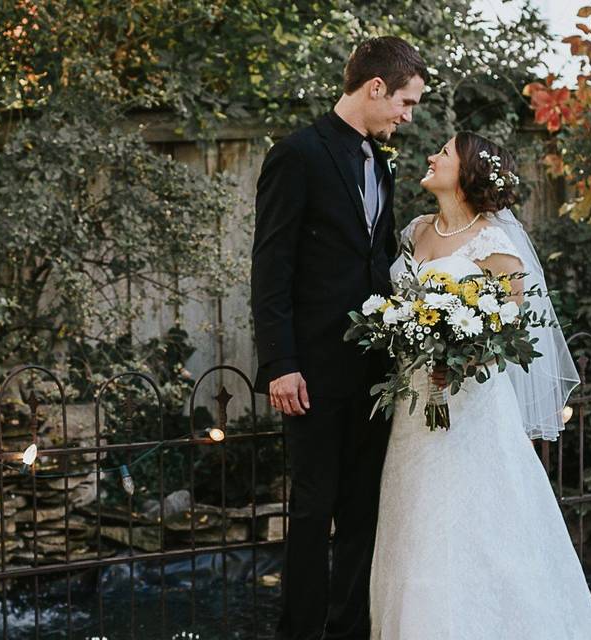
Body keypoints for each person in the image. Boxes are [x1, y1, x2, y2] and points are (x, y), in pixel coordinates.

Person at [369, 131, 591, 640]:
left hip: (472, 410)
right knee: (414, 522)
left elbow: (511, 331)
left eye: (443, 153)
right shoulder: (415, 231)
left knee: (481, 524)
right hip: (416, 405)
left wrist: (459, 357)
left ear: (466, 173)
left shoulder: (495, 242)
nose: (432, 157)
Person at [250, 36, 427, 640]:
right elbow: (271, 267)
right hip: (312, 370)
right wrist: (280, 363)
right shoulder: (296, 154)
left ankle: (349, 630)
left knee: (362, 511)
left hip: (375, 369)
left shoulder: (381, 161)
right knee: (311, 507)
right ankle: (299, 633)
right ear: (374, 88)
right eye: (405, 103)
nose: (407, 116)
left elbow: (378, 258)